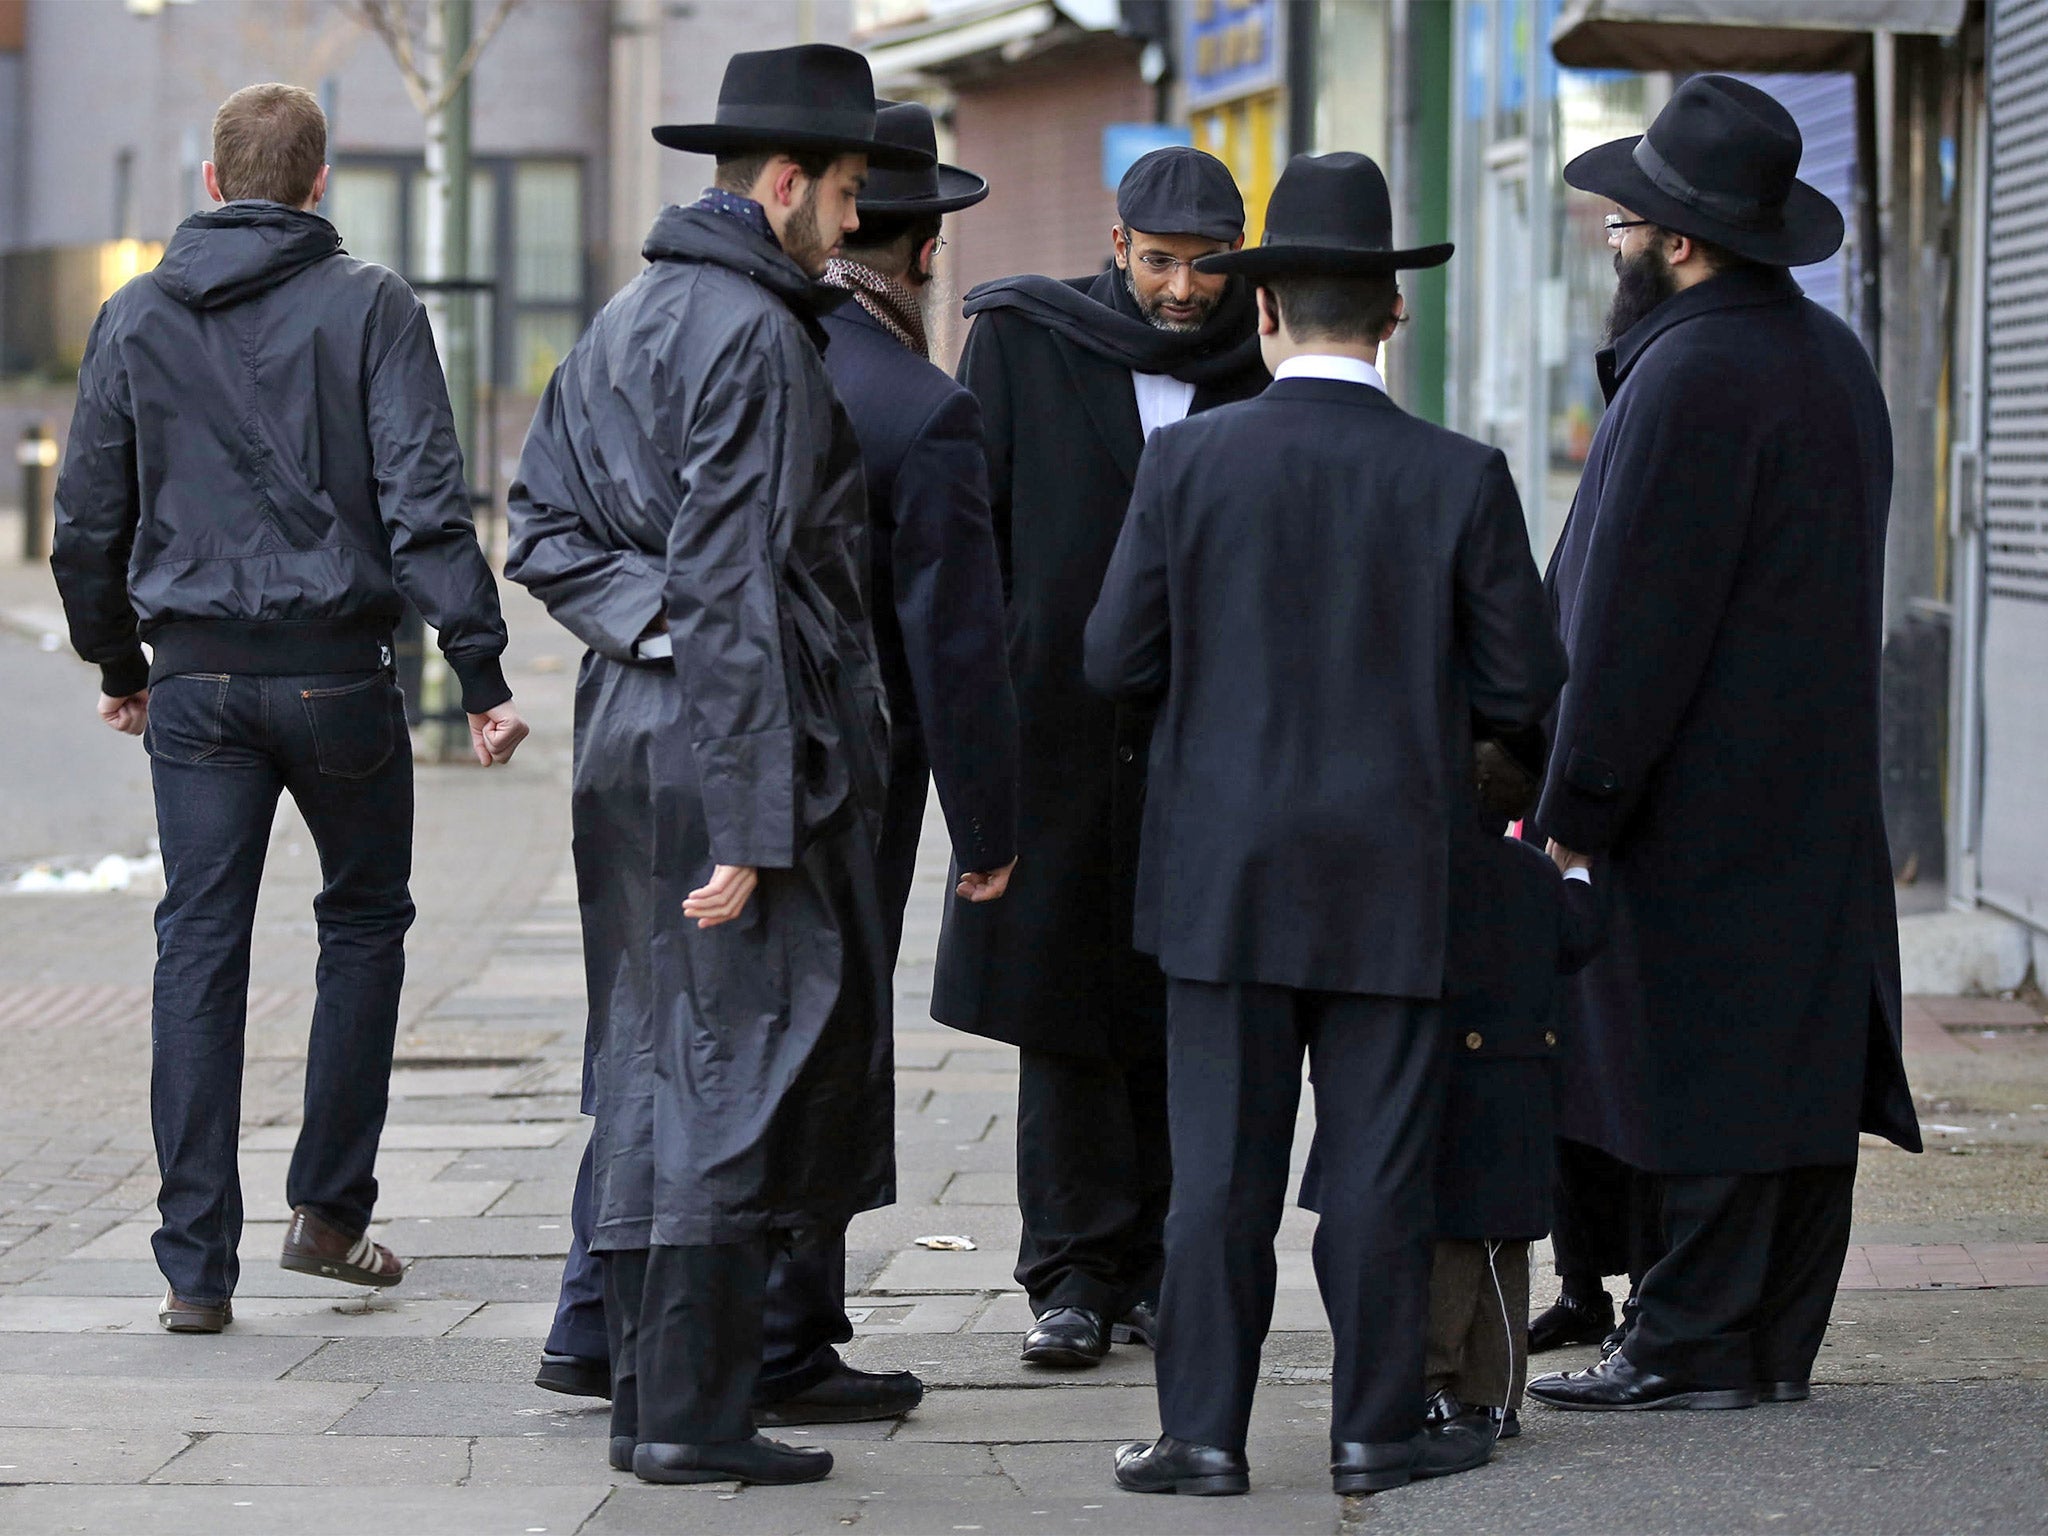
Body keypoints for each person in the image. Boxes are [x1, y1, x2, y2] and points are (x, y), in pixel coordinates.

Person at [532, 100, 1020, 1433]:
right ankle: (697, 1410)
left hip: (630, 741)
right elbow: (733, 586)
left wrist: (650, 627)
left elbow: (547, 531)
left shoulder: (626, 319)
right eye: (850, 187)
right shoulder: (760, 337)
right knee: (733, 1065)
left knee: (651, 1051)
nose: (859, 219)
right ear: (791, 182)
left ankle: (637, 1378)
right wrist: (750, 818)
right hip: (736, 756)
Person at [1085, 151, 1566, 1498]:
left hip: (1222, 873)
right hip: (1398, 872)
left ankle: (1201, 1437)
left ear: (1262, 310)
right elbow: (1527, 682)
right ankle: (1370, 1431)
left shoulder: (1187, 465)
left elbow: (1114, 656)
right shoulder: (1461, 476)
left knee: (1218, 1177)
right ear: (1394, 318)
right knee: (1378, 1167)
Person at [50, 83, 526, 1337]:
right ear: (320, 185)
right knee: (363, 922)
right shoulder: (370, 306)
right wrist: (478, 675)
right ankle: (327, 1214)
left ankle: (192, 1270)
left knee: (198, 948)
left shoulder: (134, 316)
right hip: (338, 677)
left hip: (195, 684)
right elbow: (427, 500)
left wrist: (120, 666)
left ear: (212, 182)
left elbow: (86, 521)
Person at [1524, 75, 1922, 1415]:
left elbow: (1634, 621)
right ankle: (1764, 1349)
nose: (1614, 240)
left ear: (1679, 240)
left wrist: (1575, 803)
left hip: (1691, 804)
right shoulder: (1829, 360)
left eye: (1626, 221)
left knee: (1687, 1073)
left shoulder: (1690, 375)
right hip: (1814, 797)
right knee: (1793, 1079)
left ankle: (1687, 1345)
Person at [931, 146, 1269, 1370]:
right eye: (1163, 262)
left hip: (1203, 739)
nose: (1185, 290)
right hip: (1059, 736)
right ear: (1117, 245)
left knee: (1188, 1005)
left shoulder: (1256, 362)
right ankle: (1070, 1274)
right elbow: (978, 541)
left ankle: (1167, 1268)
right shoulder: (1026, 339)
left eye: (1207, 266)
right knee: (1062, 1013)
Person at [819, 100, 1020, 957]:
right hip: (858, 774)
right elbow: (957, 640)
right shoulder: (927, 409)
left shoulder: (737, 348)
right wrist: (984, 826)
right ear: (927, 254)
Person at [1411, 742, 1605, 1442]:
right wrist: (1577, 870)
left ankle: (1433, 1384)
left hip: (1449, 1089)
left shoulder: (1427, 868)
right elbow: (1578, 940)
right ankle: (1495, 1393)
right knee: (1503, 1253)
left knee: (1445, 1245)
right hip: (1521, 1092)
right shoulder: (1532, 873)